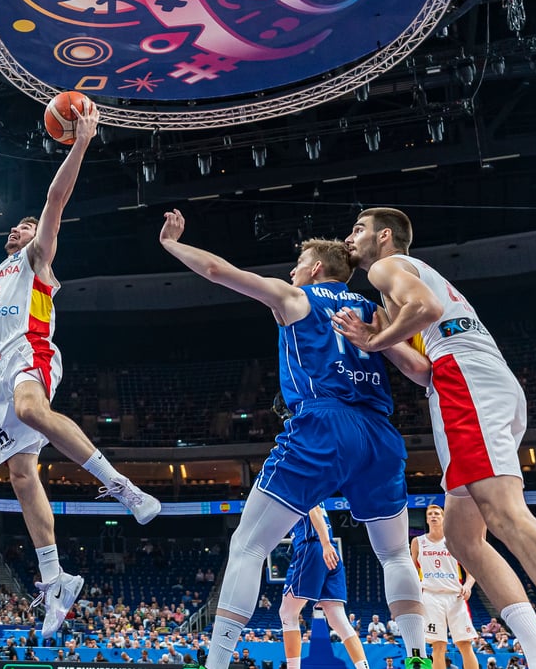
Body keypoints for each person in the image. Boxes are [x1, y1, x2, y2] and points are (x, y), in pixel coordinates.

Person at [0, 101, 159, 638]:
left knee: (33, 408)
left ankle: (120, 486)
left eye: (28, 226)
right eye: (18, 224)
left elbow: (54, 199)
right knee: (22, 476)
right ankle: (55, 578)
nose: (20, 227)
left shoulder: (38, 261)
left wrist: (79, 144)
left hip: (33, 352)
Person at [155, 211, 433, 669]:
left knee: (248, 546)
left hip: (324, 423)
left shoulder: (296, 297)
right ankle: (418, 656)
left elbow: (217, 271)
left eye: (299, 263)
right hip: (380, 433)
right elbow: (420, 374)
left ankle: (217, 663)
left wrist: (172, 244)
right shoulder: (375, 312)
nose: (292, 271)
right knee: (396, 554)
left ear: (316, 269)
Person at [335, 207, 536, 667]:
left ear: (386, 236)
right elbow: (420, 369)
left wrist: (373, 343)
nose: (350, 238)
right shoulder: (405, 283)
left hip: (465, 379)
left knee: (504, 510)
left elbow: (428, 311)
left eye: (359, 229)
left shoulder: (386, 267)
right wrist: (382, 339)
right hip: (470, 377)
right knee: (461, 536)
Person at [278, 506, 370, 669]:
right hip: (330, 551)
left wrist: (325, 543)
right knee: (338, 619)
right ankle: (363, 667)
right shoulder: (312, 489)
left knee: (287, 612)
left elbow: (314, 509)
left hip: (313, 547)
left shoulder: (300, 484)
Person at [413, 503, 479, 669]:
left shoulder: (455, 541)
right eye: (430, 514)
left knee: (465, 644)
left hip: (455, 596)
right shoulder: (418, 542)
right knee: (438, 645)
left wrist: (468, 585)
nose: (433, 516)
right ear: (427, 520)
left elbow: (471, 571)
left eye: (437, 514)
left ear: (443, 518)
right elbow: (411, 571)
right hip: (430, 596)